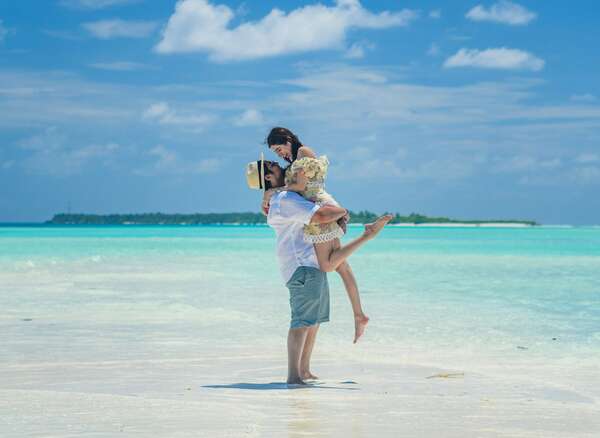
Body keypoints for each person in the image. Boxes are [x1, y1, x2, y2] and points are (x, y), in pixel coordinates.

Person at [246, 157, 391, 385]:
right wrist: (343, 211)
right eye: (273, 164)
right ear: (267, 176)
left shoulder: (281, 198)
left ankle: (303, 371)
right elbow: (322, 215)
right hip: (302, 266)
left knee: (312, 322)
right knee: (301, 322)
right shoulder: (285, 199)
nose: (279, 164)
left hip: (307, 264)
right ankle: (293, 377)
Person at [263, 127, 392, 343]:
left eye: (279, 148)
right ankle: (359, 315)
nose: (280, 154)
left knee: (328, 265)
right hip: (321, 207)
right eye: (275, 153)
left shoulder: (303, 152)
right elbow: (294, 188)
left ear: (288, 139)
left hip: (322, 209)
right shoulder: (294, 161)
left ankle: (367, 235)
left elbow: (301, 186)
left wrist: (272, 191)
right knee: (342, 265)